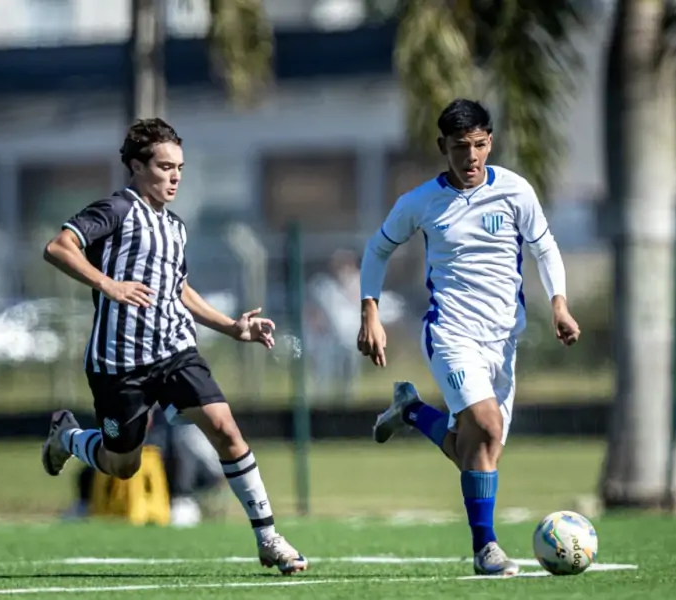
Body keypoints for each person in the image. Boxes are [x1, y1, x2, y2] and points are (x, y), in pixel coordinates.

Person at [41, 118, 307, 575]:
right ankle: (68, 437)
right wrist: (110, 284)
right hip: (119, 362)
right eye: (165, 167)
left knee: (225, 429)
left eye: (179, 167)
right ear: (137, 166)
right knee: (121, 464)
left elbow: (178, 288)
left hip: (175, 350)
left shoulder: (176, 227)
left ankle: (268, 537)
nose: (175, 176)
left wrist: (231, 327)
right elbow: (59, 247)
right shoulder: (115, 210)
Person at [357, 99, 580, 577]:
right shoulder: (419, 203)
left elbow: (545, 247)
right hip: (450, 334)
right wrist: (369, 313)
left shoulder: (515, 191)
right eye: (461, 147)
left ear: (490, 142)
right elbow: (377, 251)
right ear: (443, 147)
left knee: (478, 451)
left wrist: (559, 303)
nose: (471, 156)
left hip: (504, 341)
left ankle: (411, 410)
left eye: (479, 145)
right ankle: (487, 549)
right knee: (487, 427)